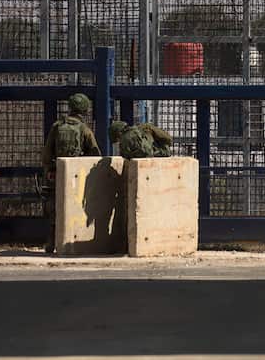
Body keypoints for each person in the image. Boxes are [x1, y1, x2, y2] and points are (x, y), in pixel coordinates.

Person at [41, 93, 101, 253]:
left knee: (54, 206)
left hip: (56, 173)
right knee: (75, 206)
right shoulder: (85, 130)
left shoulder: (57, 126)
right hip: (77, 177)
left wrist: (50, 169)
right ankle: (71, 241)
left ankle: (51, 242)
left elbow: (46, 154)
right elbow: (95, 155)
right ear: (85, 110)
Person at [109, 119, 173, 159]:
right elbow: (168, 138)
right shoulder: (144, 128)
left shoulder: (123, 142)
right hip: (156, 154)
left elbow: (125, 157)